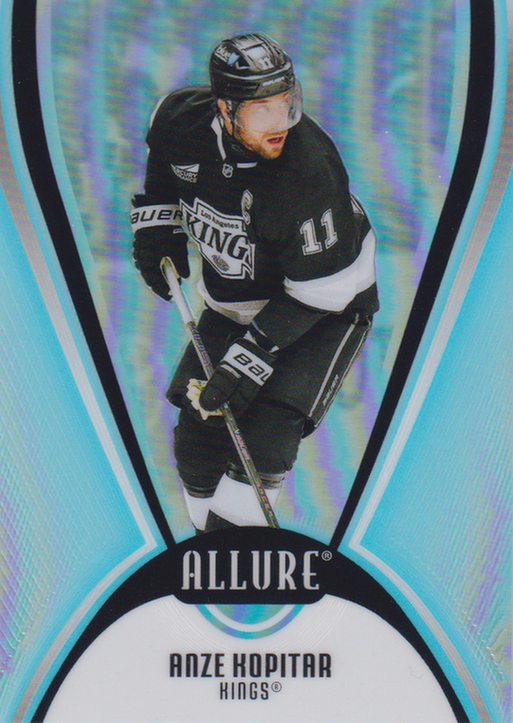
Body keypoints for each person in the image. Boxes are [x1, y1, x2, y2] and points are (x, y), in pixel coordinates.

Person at [131, 32, 379, 533]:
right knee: (197, 444)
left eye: (286, 103)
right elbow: (165, 163)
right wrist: (157, 225)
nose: (280, 121)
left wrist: (250, 359)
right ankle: (209, 550)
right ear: (225, 108)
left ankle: (239, 550)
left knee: (264, 439)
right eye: (262, 109)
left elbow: (322, 291)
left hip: (323, 309)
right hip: (234, 302)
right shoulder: (181, 119)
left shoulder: (307, 172)